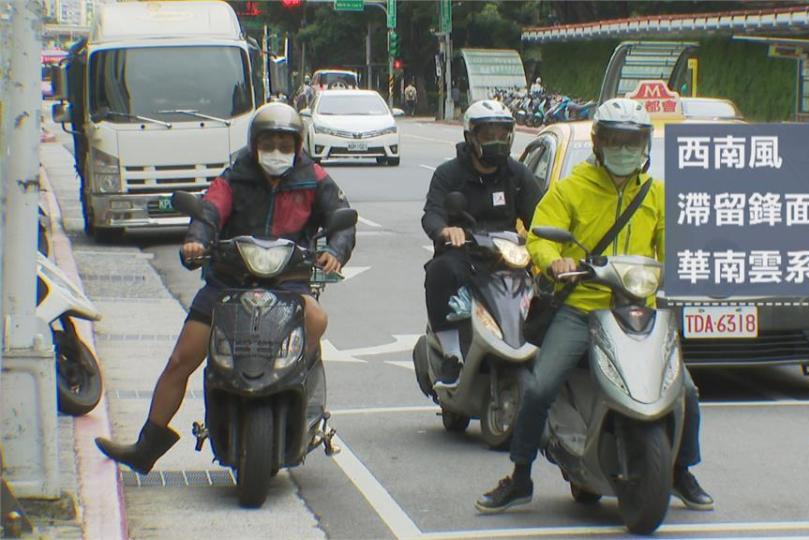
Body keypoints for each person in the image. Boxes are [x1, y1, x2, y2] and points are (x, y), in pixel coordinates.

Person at [476, 98, 714, 513]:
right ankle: (520, 476)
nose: (625, 150)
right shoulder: (572, 188)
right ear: (600, 143)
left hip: (639, 312)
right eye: (616, 140)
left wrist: (688, 268)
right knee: (540, 387)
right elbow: (540, 236)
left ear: (645, 147)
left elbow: (675, 244)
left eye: (633, 141)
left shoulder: (656, 195)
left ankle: (680, 471)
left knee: (686, 392)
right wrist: (556, 261)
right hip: (582, 308)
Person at [94, 102, 356, 474]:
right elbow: (209, 210)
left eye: (285, 143)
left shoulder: (314, 178)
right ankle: (146, 447)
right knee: (181, 358)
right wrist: (196, 242)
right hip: (228, 281)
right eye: (269, 142)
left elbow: (341, 220)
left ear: (298, 145)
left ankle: (301, 388)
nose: (277, 151)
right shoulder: (234, 176)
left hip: (288, 282)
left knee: (316, 318)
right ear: (254, 144)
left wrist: (334, 250)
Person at [421, 99, 543, 387]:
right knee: (439, 273)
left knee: (547, 288)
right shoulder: (449, 174)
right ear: (470, 137)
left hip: (508, 255)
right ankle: (452, 354)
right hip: (465, 254)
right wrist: (446, 231)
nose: (496, 141)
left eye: (502, 134)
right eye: (489, 135)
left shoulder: (517, 174)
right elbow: (432, 213)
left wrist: (545, 240)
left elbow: (542, 215)